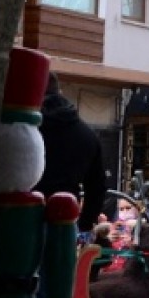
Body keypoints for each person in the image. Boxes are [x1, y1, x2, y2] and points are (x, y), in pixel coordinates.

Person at [36, 71, 109, 231]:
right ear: (60, 92)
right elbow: (97, 187)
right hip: (64, 222)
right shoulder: (87, 136)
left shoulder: (24, 127)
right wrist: (85, 223)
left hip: (22, 218)